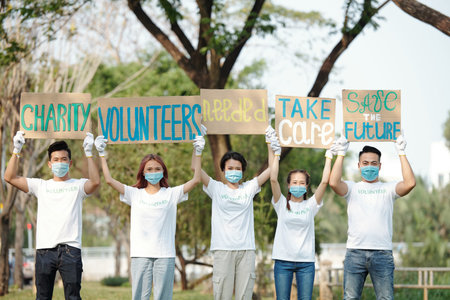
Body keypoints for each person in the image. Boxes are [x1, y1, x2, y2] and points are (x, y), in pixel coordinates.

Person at [95, 132, 204, 300]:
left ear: (163, 171)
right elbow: (109, 180)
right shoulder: (134, 194)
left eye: (157, 168)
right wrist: (102, 153)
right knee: (139, 297)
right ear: (143, 173)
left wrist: (197, 150)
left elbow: (196, 179)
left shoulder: (172, 194)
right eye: (150, 169)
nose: (154, 172)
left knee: (163, 297)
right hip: (140, 255)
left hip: (165, 255)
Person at [4, 131, 100, 300]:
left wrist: (89, 153)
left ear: (70, 163)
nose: (60, 163)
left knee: (73, 297)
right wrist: (16, 149)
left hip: (71, 250)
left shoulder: (78, 186)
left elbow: (95, 182)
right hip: (44, 251)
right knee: (42, 297)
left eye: (64, 160)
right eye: (56, 160)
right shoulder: (41, 186)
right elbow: (9, 177)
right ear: (49, 164)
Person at [329, 134, 416, 300]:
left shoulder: (388, 189)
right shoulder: (351, 188)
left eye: (374, 163)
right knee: (350, 298)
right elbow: (333, 182)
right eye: (366, 163)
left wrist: (401, 152)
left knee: (386, 298)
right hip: (355, 253)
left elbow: (410, 183)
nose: (370, 167)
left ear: (380, 166)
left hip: (382, 254)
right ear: (359, 165)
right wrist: (341, 153)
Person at [200, 127, 273, 300]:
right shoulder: (216, 188)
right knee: (222, 295)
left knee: (244, 296)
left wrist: (270, 144)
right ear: (223, 171)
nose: (234, 171)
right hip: (223, 250)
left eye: (237, 168)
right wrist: (198, 149)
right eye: (230, 168)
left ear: (243, 171)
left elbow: (272, 170)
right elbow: (196, 172)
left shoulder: (249, 188)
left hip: (246, 250)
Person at [268, 131, 336, 300]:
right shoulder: (281, 204)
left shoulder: (311, 205)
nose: (298, 185)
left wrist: (329, 156)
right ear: (289, 185)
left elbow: (325, 182)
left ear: (307, 187)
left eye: (302, 183)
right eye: (294, 182)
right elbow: (273, 179)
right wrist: (275, 153)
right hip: (282, 262)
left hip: (306, 263)